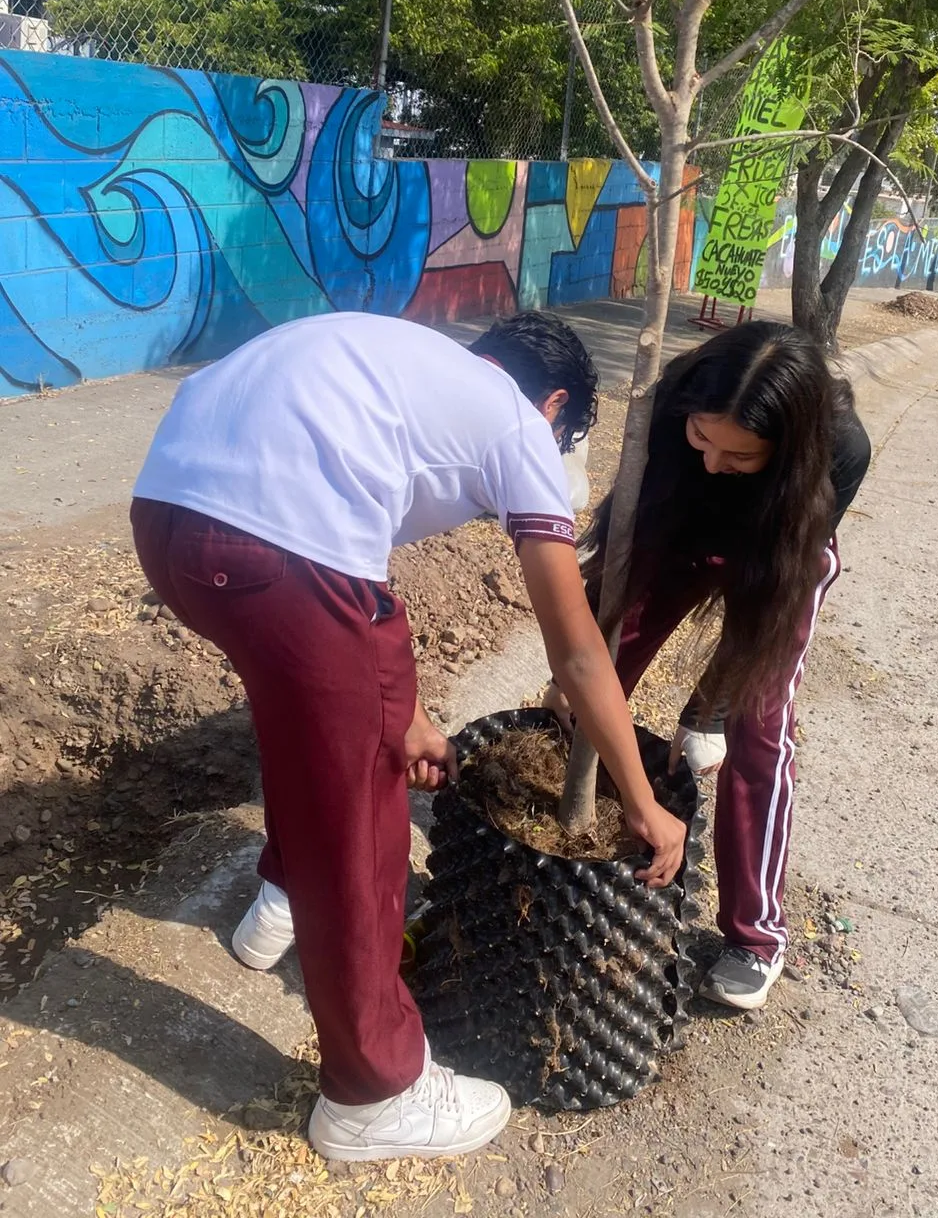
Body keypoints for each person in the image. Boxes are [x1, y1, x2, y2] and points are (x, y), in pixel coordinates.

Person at [129, 311, 686, 1164]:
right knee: (364, 826)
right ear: (555, 407)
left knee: (313, 731)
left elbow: (354, 577)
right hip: (278, 552)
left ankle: (280, 902)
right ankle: (374, 1094)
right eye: (565, 437)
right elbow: (576, 651)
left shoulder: (407, 374)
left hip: (171, 523)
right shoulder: (518, 424)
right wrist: (641, 801)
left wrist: (407, 716)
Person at [544, 322, 870, 1013]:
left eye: (741, 454)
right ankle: (569, 814)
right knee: (594, 674)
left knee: (760, 726)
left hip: (777, 550)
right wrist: (579, 663)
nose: (715, 462)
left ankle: (756, 934)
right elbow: (638, 531)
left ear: (787, 447)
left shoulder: (840, 449)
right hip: (682, 528)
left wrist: (713, 706)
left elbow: (772, 592)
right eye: (702, 439)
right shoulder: (675, 399)